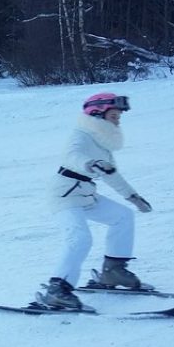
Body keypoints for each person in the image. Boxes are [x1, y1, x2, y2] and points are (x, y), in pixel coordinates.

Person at [37, 93, 153, 309]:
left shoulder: (100, 142)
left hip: (86, 194)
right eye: (114, 116)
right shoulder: (80, 135)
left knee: (123, 216)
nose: (118, 121)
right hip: (64, 195)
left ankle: (113, 271)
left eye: (119, 117)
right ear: (97, 113)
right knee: (80, 239)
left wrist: (132, 196)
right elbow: (71, 156)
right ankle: (57, 290)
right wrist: (89, 163)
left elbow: (110, 174)